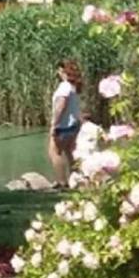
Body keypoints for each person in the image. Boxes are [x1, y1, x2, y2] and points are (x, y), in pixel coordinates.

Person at [47, 59, 82, 187]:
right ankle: (77, 180)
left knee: (54, 153)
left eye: (59, 69)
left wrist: (54, 124)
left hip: (63, 126)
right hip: (73, 126)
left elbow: (61, 105)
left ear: (63, 71)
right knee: (69, 153)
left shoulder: (64, 86)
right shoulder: (73, 87)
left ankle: (62, 182)